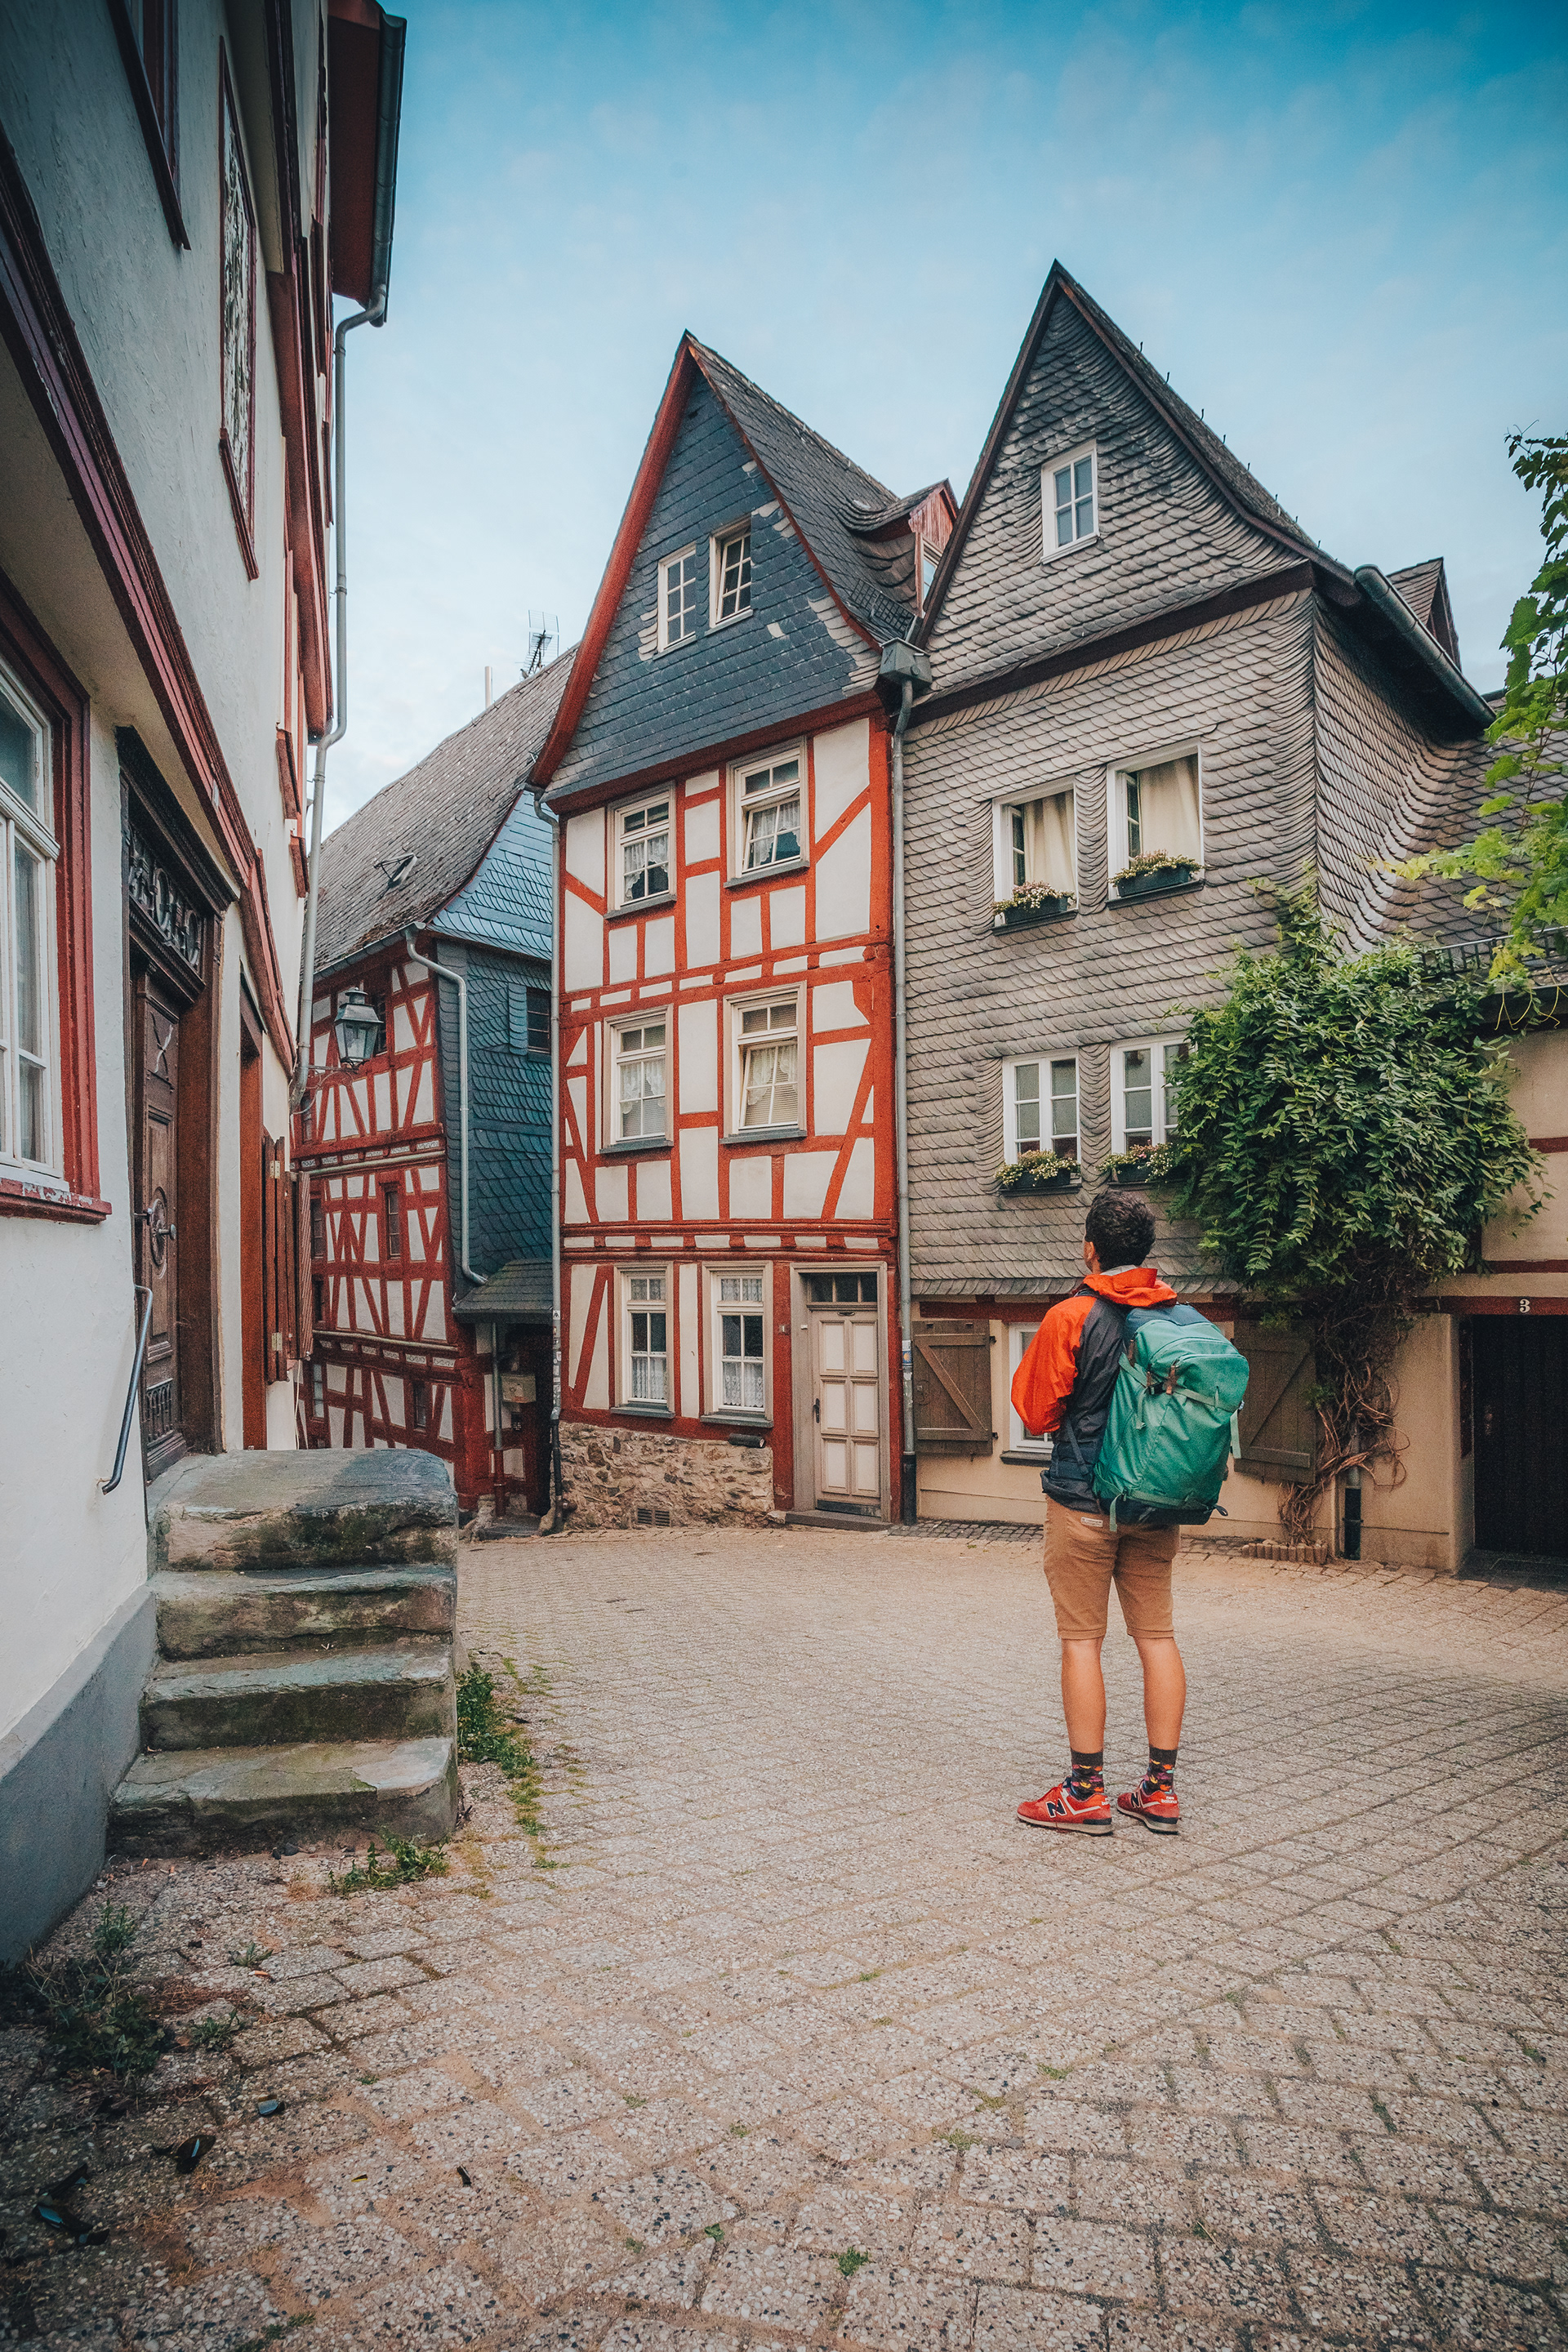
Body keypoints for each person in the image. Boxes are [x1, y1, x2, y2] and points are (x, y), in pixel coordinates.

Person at [1009, 1190, 1185, 1837]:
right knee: (1157, 1639)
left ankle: (1084, 1792)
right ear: (1144, 1254)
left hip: (1083, 1503)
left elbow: (1034, 1411)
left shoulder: (1072, 1315)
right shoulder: (1177, 1317)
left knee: (1083, 1642)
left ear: (1090, 1249)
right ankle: (1159, 1791)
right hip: (1159, 1500)